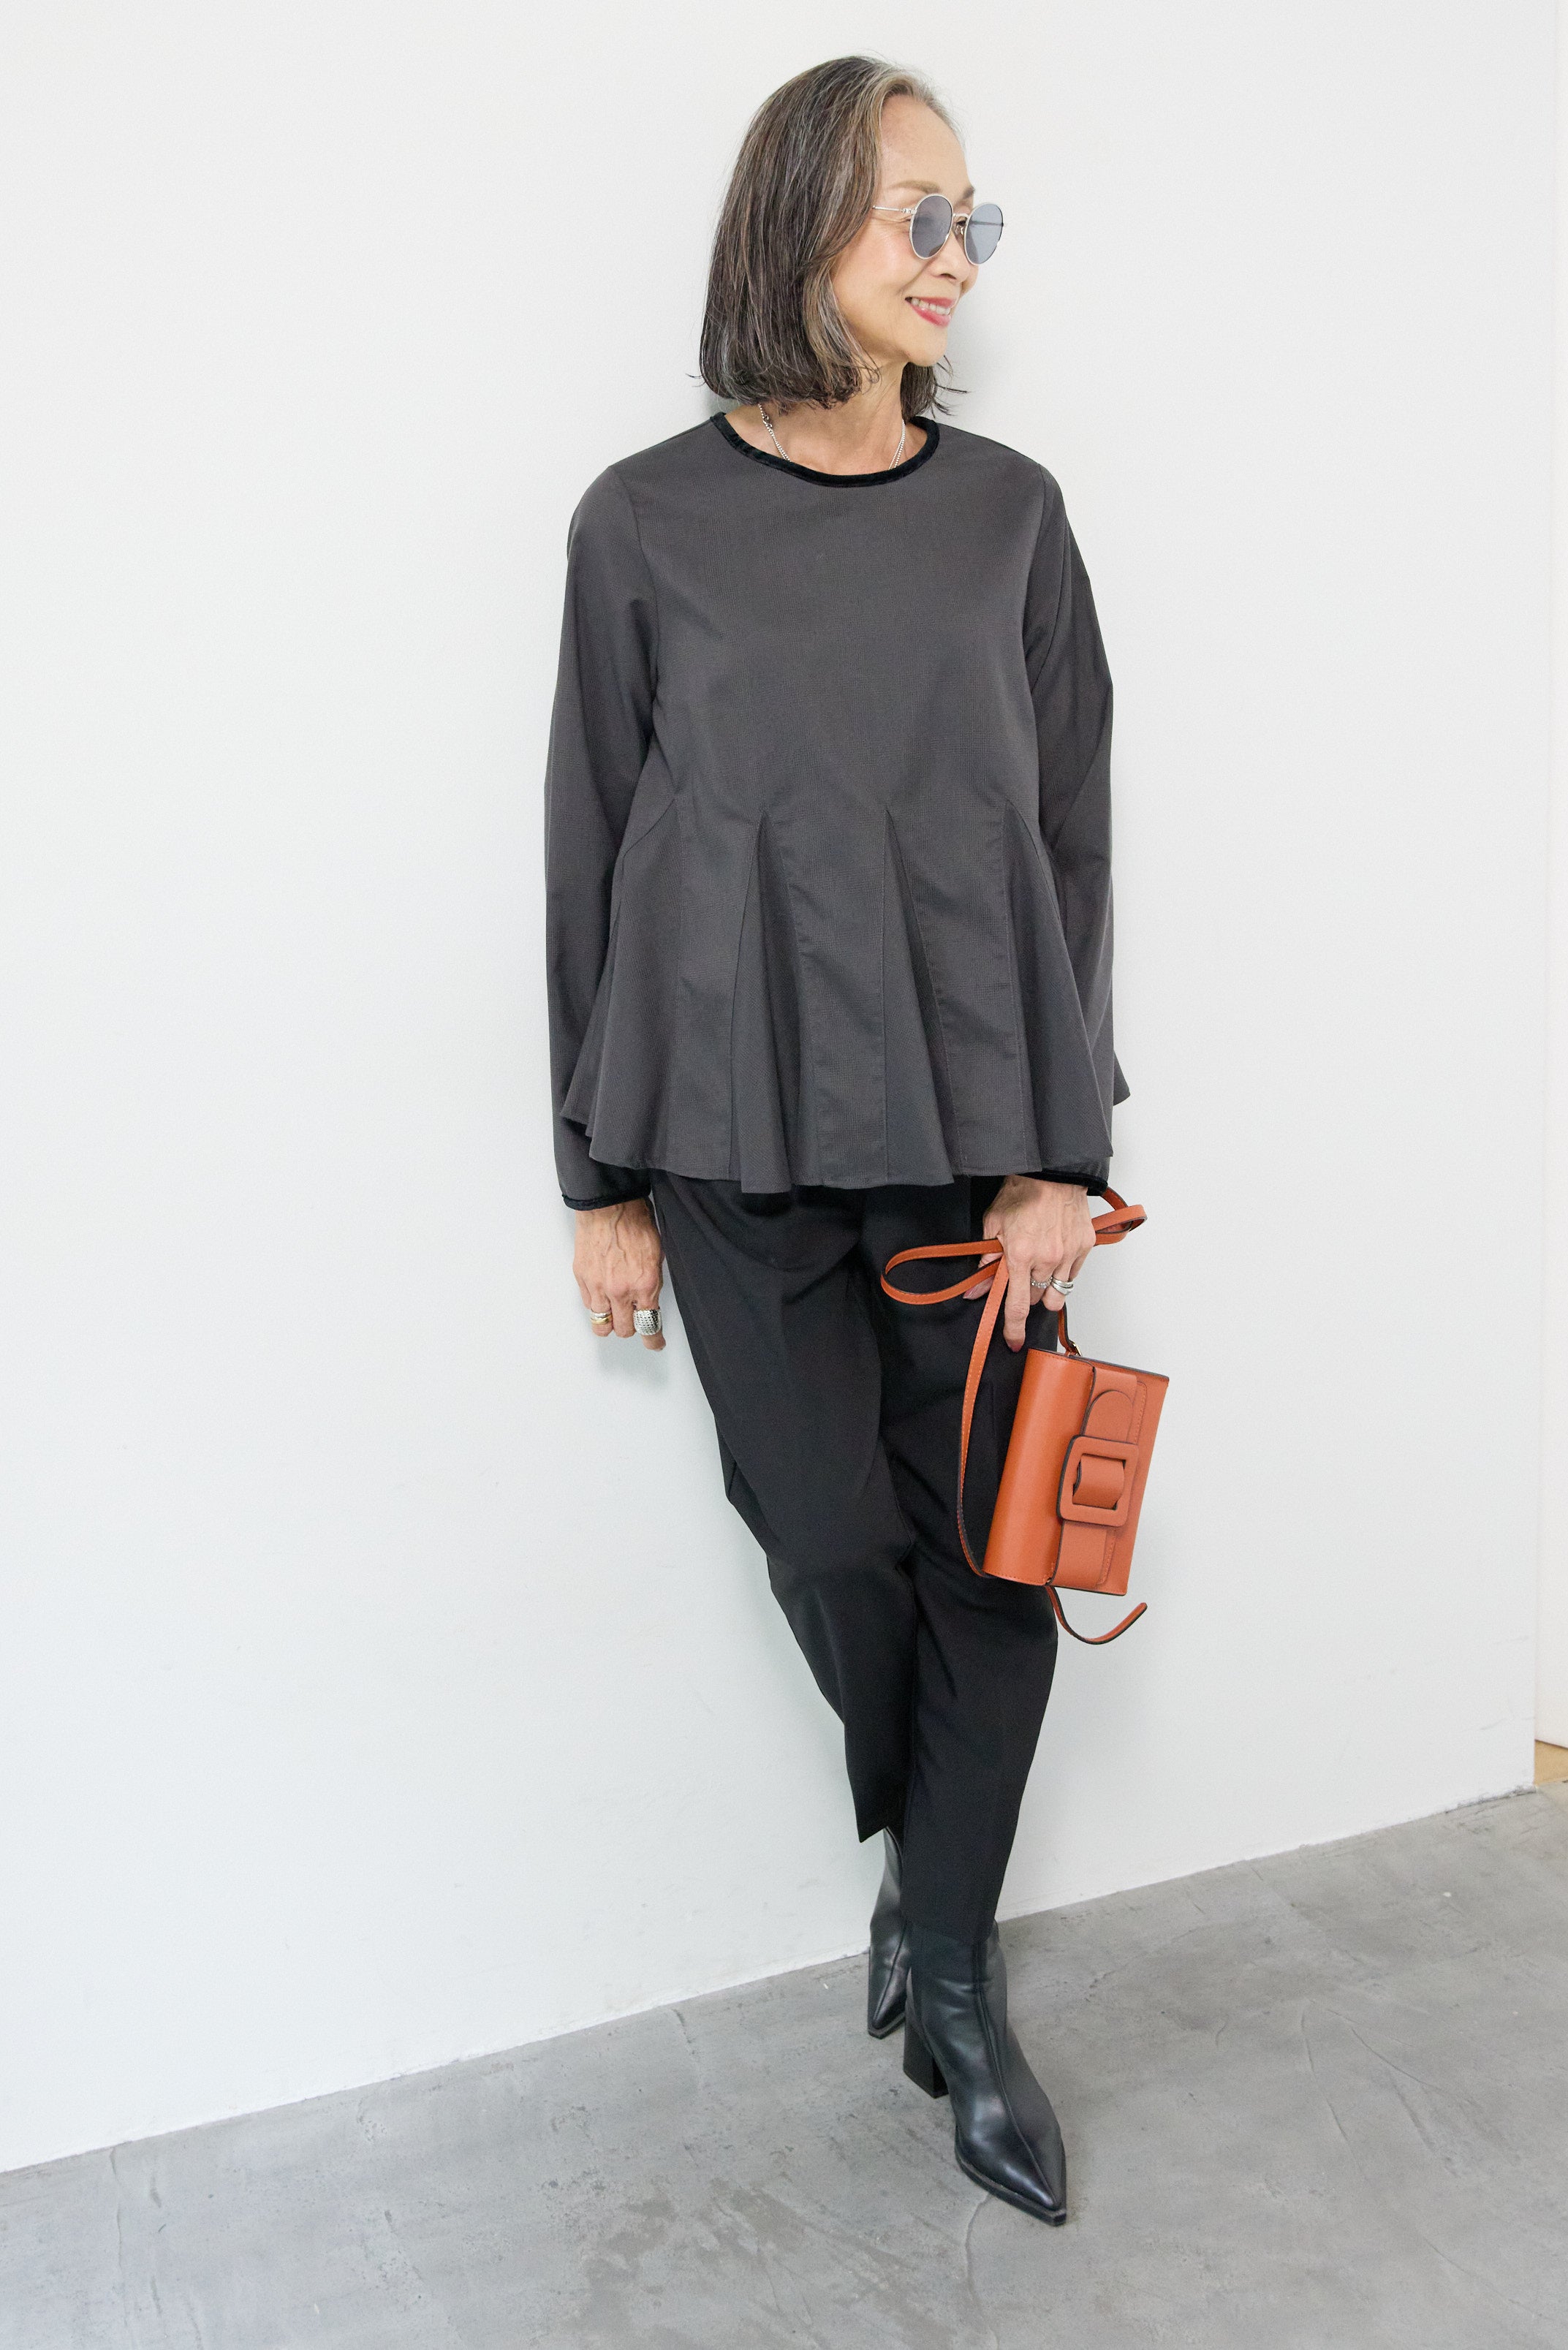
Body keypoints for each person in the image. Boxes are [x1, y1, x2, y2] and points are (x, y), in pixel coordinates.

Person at [543, 54, 1126, 2229]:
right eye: (916, 212)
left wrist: (1059, 1147)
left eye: (974, 217)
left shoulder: (1013, 517)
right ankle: (930, 1861)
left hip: (980, 1143)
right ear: (798, 224)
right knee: (824, 1536)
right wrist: (595, 1175)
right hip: (729, 1132)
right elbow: (589, 849)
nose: (955, 254)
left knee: (998, 1555)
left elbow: (1072, 842)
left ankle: (953, 1975)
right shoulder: (640, 523)